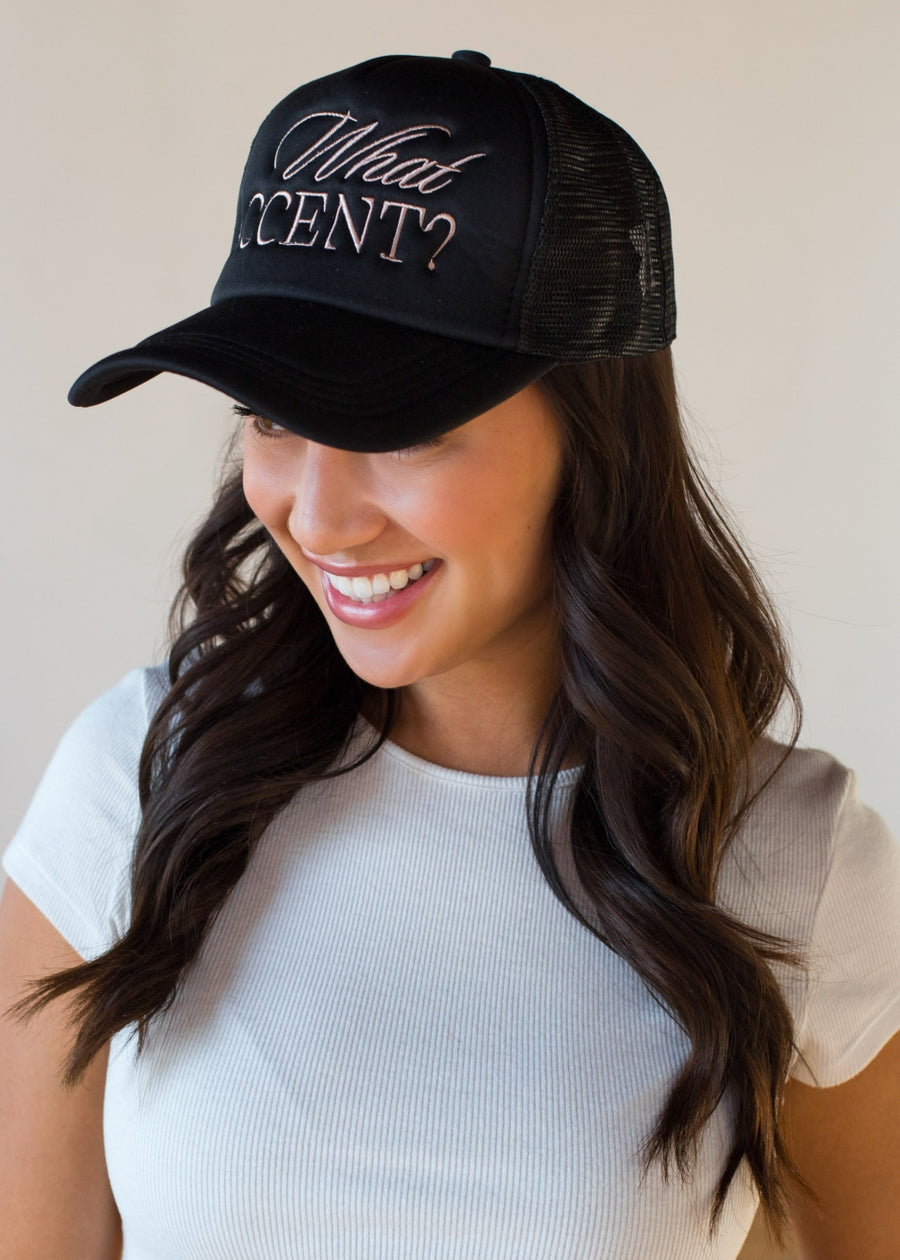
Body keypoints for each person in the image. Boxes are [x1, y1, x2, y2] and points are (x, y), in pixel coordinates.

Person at [1, 49, 898, 1260]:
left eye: (402, 427)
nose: (316, 517)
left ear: (596, 433)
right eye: (273, 415)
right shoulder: (140, 779)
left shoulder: (797, 861)